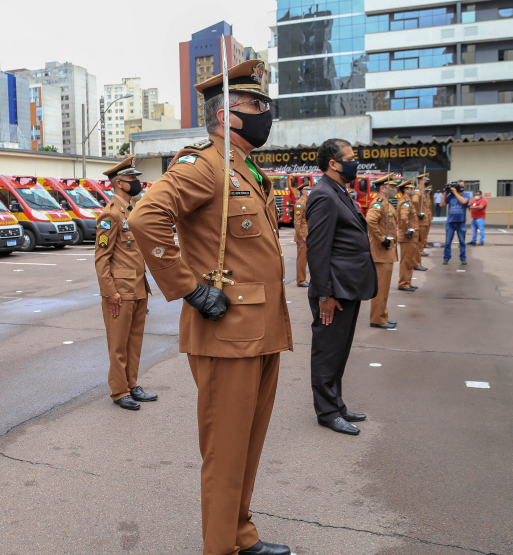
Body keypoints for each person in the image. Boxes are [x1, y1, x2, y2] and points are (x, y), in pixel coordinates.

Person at [129, 59, 294, 555]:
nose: (266, 112)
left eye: (265, 104)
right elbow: (145, 218)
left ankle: (240, 535)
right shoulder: (203, 164)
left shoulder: (244, 168)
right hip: (227, 334)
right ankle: (221, 548)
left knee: (247, 447)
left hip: (260, 328)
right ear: (226, 115)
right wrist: (188, 287)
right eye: (256, 105)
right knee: (225, 453)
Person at [305, 138, 377, 436]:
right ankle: (328, 412)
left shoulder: (339, 191)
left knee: (340, 350)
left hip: (348, 287)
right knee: (327, 351)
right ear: (333, 163)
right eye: (349, 157)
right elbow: (317, 250)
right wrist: (325, 294)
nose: (354, 162)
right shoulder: (323, 195)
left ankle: (337, 402)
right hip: (333, 290)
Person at [95, 156, 156, 411]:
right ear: (119, 183)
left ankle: (132, 384)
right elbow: (101, 258)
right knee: (118, 344)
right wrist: (110, 293)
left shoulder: (131, 211)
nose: (137, 183)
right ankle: (119, 391)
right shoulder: (110, 215)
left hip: (138, 287)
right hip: (120, 291)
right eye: (132, 179)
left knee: (134, 341)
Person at [366, 175, 398, 329]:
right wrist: (381, 238)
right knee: (381, 289)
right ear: (383, 188)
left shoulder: (386, 203)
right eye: (392, 187)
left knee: (384, 289)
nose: (395, 189)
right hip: (381, 252)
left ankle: (382, 316)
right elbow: (370, 220)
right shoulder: (379, 203)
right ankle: (378, 319)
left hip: (386, 252)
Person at [396, 181, 419, 291]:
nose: (413, 190)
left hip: (411, 236)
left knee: (410, 261)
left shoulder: (409, 201)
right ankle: (404, 283)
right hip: (407, 236)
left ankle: (407, 282)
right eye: (410, 188)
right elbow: (404, 218)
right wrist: (407, 231)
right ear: (405, 190)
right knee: (406, 261)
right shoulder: (405, 202)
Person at [441, 181, 470, 265]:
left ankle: (463, 258)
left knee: (462, 241)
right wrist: (445, 193)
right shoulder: (451, 195)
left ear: (464, 186)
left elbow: (464, 202)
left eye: (461, 185)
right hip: (450, 222)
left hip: (461, 222)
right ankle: (446, 258)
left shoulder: (466, 195)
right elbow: (442, 204)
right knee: (447, 242)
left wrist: (455, 193)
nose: (459, 186)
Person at [411, 175, 430, 269]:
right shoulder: (418, 191)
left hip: (424, 220)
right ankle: (416, 263)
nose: (427, 182)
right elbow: (414, 201)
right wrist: (419, 213)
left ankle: (417, 262)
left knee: (420, 242)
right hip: (421, 221)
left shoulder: (423, 191)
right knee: (417, 243)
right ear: (421, 181)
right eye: (425, 180)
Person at [294, 184, 310, 287]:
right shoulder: (300, 204)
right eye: (308, 189)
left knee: (308, 258)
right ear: (303, 191)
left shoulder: (307, 202)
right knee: (302, 259)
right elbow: (297, 222)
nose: (310, 191)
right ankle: (301, 280)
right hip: (303, 236)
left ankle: (304, 279)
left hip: (308, 234)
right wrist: (300, 237)